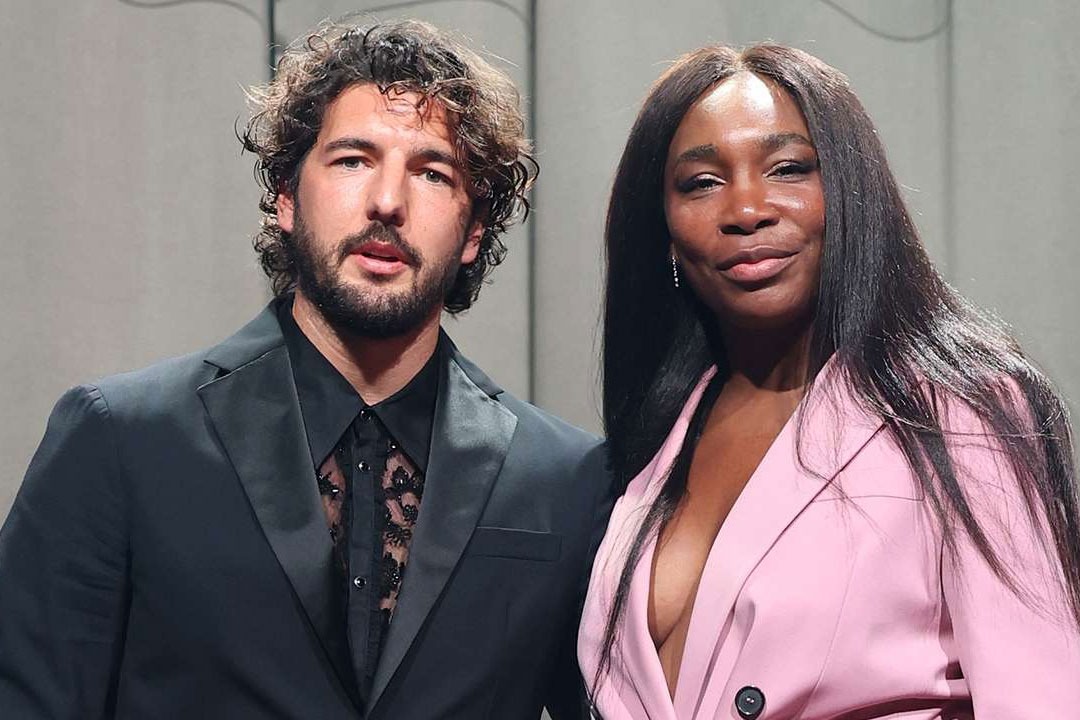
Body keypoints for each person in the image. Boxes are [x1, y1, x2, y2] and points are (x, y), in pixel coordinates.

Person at [0, 20, 610, 719]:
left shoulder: (562, 477)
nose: (388, 201)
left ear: (473, 232)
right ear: (287, 197)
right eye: (352, 160)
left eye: (433, 173)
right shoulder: (121, 439)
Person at [578, 43, 1080, 719]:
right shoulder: (657, 440)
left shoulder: (959, 412)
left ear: (848, 192)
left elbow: (1040, 698)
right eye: (701, 183)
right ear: (663, 228)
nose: (746, 209)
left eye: (788, 168)